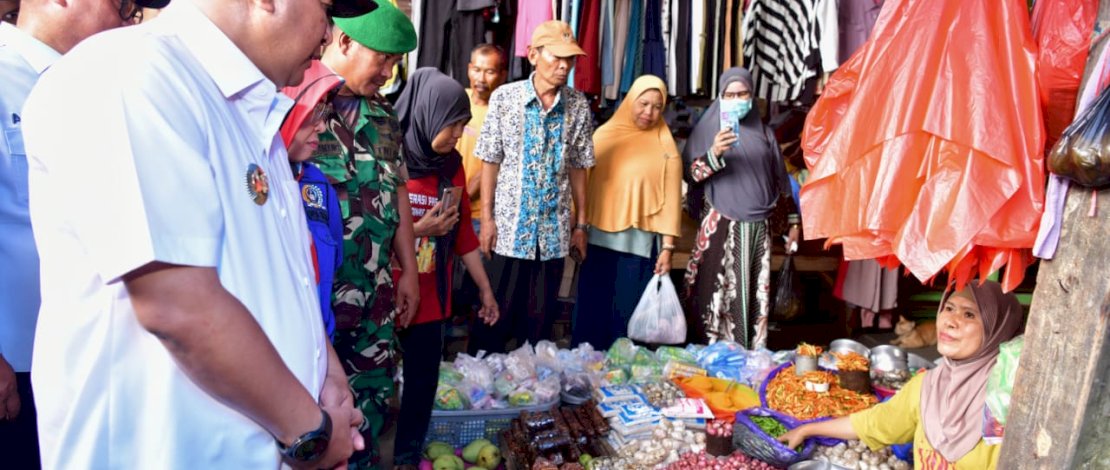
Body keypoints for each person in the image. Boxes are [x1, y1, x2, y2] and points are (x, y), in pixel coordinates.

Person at [18, 0, 377, 466]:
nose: (329, 35)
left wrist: (324, 369)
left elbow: (276, 275)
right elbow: (177, 306)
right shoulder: (130, 74)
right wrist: (309, 434)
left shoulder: (246, 107)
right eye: (326, 10)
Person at [0, 0, 165, 466]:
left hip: (89, 363)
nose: (130, 18)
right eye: (122, 5)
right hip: (15, 366)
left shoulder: (102, 86)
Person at [316, 2, 420, 467]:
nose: (389, 71)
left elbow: (397, 191)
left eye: (396, 62)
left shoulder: (383, 116)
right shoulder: (298, 107)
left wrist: (410, 271)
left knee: (372, 414)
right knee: (316, 421)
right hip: (318, 305)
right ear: (345, 42)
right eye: (383, 58)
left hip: (374, 298)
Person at [780, 280, 1024, 469]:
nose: (950, 321)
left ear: (997, 328)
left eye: (969, 314)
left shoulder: (1006, 398)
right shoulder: (927, 385)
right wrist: (807, 429)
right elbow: (874, 422)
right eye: (949, 308)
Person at [391, 67, 501, 468]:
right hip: (386, 294)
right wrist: (419, 228)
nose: (458, 136)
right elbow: (366, 232)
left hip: (432, 298)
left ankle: (405, 457)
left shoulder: (451, 165)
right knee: (376, 384)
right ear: (429, 115)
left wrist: (485, 289)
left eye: (462, 126)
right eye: (453, 126)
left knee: (422, 385)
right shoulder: (389, 156)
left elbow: (462, 237)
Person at [471, 20, 595, 354]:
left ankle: (533, 395)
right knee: (493, 317)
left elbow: (580, 166)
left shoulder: (578, 105)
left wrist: (581, 224)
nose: (564, 65)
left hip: (553, 233)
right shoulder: (505, 99)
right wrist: (487, 219)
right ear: (532, 55)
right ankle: (483, 392)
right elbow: (489, 159)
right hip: (509, 231)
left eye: (570, 59)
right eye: (556, 57)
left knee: (538, 327)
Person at [682, 67, 800, 350]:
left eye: (742, 93)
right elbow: (690, 176)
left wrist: (793, 224)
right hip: (721, 225)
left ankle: (748, 354)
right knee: (715, 293)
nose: (737, 99)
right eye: (730, 94)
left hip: (759, 228)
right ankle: (711, 355)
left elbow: (780, 182)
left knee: (751, 297)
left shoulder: (766, 134)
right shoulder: (707, 130)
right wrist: (714, 153)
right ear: (720, 97)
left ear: (751, 95)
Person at [571, 75, 682, 350]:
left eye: (657, 106)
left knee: (627, 316)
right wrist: (578, 227)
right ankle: (585, 372)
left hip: (639, 245)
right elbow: (581, 185)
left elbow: (671, 201)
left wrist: (668, 248)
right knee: (592, 312)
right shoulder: (604, 137)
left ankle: (623, 378)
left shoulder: (666, 148)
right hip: (597, 241)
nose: (649, 112)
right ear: (631, 100)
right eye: (643, 103)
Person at [280, 64, 345, 340]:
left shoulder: (317, 183)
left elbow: (335, 258)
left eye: (325, 113)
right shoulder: (248, 181)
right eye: (314, 112)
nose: (322, 125)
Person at [457, 43, 507, 236]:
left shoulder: (502, 113)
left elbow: (487, 169)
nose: (481, 79)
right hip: (444, 207)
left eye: (490, 72)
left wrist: (460, 201)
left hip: (476, 215)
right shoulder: (457, 99)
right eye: (477, 70)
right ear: (469, 68)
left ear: (502, 75)